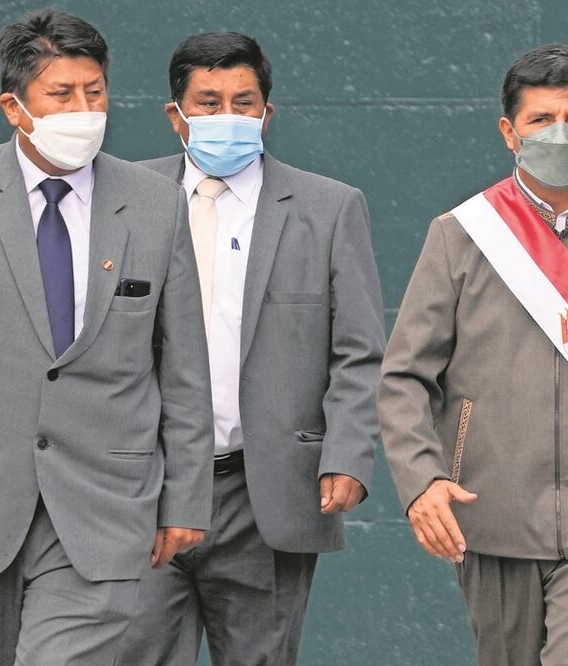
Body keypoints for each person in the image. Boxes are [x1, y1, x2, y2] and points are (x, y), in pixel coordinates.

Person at [379, 43, 568, 665]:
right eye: (540, 120)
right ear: (508, 131)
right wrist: (422, 481)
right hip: (490, 515)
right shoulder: (460, 234)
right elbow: (406, 377)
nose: (559, 133)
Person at [0, 9, 213, 664]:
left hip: (105, 507)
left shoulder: (155, 202)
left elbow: (183, 364)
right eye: (62, 95)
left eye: (95, 93)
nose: (84, 110)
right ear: (15, 106)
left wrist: (187, 496)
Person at [116, 32, 385, 665]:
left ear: (267, 112)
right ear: (175, 115)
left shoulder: (329, 208)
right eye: (208, 103)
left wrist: (347, 452)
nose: (227, 118)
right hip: (145, 486)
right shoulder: (124, 199)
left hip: (265, 491)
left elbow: (360, 349)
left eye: (245, 102)